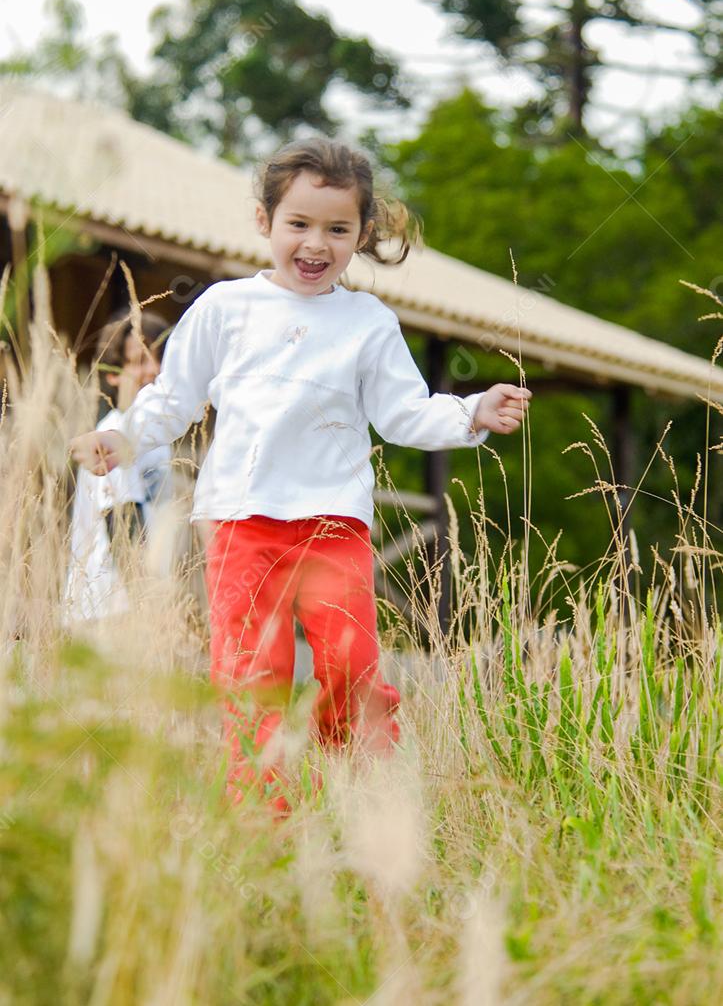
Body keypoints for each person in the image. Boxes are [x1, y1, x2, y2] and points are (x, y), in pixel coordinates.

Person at [70, 138, 531, 811]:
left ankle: (356, 769)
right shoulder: (226, 309)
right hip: (239, 522)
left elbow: (404, 413)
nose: (316, 244)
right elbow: (171, 398)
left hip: (332, 522)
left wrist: (472, 410)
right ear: (264, 221)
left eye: (337, 229)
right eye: (299, 224)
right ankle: (265, 815)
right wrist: (119, 434)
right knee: (252, 675)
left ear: (361, 235)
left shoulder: (367, 323)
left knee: (347, 663)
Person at [64, 310, 173, 625]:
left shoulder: (152, 438)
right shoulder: (116, 433)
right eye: (139, 360)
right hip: (111, 607)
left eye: (159, 358)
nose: (153, 370)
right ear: (112, 374)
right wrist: (149, 606)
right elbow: (123, 522)